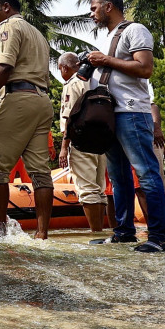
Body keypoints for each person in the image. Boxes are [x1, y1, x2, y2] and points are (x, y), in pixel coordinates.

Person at [86, 0, 165, 252]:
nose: (92, 13)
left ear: (109, 6)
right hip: (112, 116)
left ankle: (159, 238)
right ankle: (124, 232)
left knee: (146, 173)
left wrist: (105, 59)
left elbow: (145, 68)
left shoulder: (136, 30)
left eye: (94, 8)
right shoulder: (111, 36)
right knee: (119, 177)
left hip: (132, 113)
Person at [0, 0, 54, 239]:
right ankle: (42, 234)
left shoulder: (8, 26)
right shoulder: (38, 34)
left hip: (17, 99)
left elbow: (5, 66)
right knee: (41, 172)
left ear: (6, 8)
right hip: (42, 102)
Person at [57, 52, 108, 232]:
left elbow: (69, 117)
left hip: (81, 140)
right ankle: (101, 229)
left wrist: (64, 147)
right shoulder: (96, 81)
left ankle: (96, 232)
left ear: (65, 67)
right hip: (101, 141)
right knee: (99, 188)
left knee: (87, 189)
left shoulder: (73, 83)